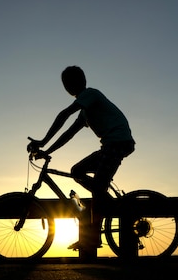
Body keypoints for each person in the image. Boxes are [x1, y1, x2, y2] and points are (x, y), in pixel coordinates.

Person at [27, 66, 135, 251]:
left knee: (98, 190)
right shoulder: (85, 111)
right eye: (65, 84)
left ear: (79, 82)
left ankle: (93, 235)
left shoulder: (91, 95)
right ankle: (106, 203)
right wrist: (47, 150)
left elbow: (64, 115)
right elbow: (68, 134)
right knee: (77, 171)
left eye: (68, 83)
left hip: (118, 143)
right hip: (110, 145)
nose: (67, 87)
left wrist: (43, 141)